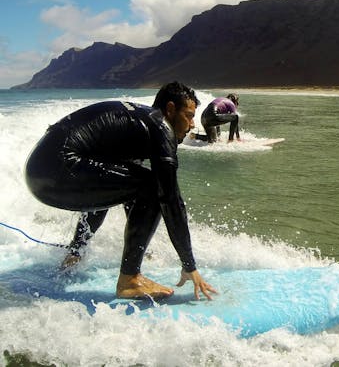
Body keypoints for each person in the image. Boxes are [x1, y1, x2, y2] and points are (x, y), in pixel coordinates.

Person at [24, 81, 217, 301]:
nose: (192, 124)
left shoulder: (139, 124)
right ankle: (129, 280)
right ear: (170, 109)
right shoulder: (161, 128)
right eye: (189, 116)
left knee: (120, 183)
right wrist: (189, 265)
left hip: (40, 169)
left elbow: (113, 193)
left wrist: (138, 246)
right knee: (153, 186)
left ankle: (74, 256)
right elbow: (170, 199)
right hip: (56, 169)